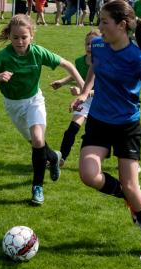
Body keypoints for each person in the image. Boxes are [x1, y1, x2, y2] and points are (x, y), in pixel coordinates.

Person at [71, 0, 141, 262]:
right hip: (99, 121)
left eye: (104, 22)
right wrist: (85, 91)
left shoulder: (138, 58)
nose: (99, 27)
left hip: (126, 126)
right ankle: (129, 198)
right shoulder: (100, 46)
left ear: (122, 25)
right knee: (88, 174)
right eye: (99, 21)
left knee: (131, 185)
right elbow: (94, 68)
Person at [0, 14, 84, 205]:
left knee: (38, 139)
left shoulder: (38, 52)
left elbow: (67, 64)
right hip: (13, 105)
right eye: (15, 37)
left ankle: (37, 187)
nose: (20, 41)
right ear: (9, 36)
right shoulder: (4, 56)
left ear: (31, 36)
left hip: (34, 101)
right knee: (37, 144)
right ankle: (53, 157)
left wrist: (84, 89)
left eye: (24, 37)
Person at [51, 29, 101, 167]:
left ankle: (128, 160)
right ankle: (61, 159)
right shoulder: (80, 61)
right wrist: (62, 82)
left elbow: (106, 89)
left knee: (108, 133)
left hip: (102, 101)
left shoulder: (105, 62)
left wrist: (83, 92)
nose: (89, 47)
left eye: (93, 44)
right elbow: (76, 75)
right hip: (86, 99)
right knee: (72, 129)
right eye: (87, 44)